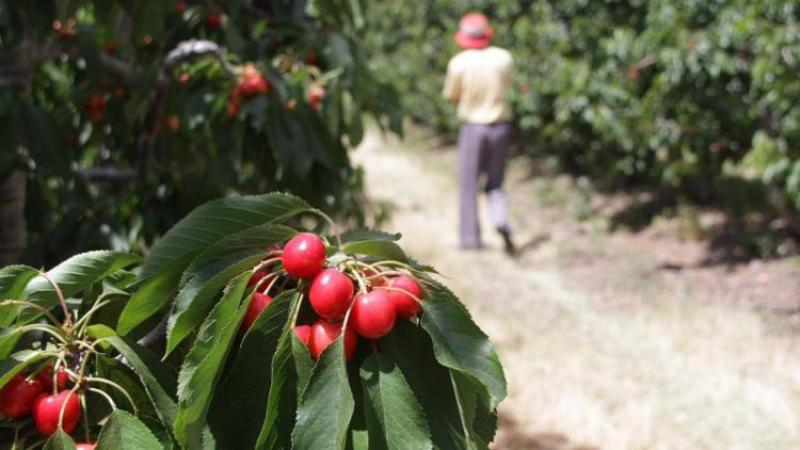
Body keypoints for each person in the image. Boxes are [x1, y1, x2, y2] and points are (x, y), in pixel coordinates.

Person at [442, 12, 516, 255]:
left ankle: (470, 239)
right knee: (495, 183)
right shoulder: (503, 58)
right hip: (501, 126)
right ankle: (500, 220)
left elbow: (452, 96)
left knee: (468, 184)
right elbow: (508, 86)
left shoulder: (459, 63)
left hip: (474, 127)